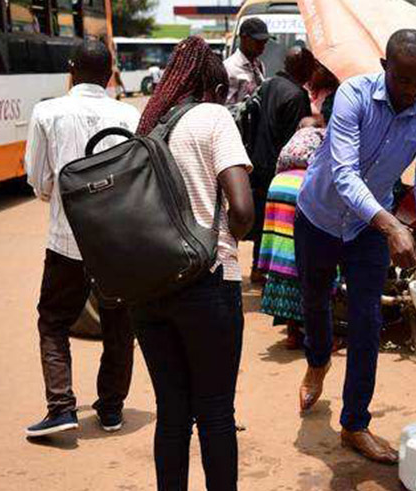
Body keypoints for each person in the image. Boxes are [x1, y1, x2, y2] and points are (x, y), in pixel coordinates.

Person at [295, 29, 416, 464]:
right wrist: (392, 227)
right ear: (385, 67)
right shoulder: (353, 95)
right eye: (402, 80)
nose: (410, 92)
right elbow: (345, 174)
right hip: (320, 215)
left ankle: (354, 424)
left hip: (368, 231)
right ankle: (317, 360)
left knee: (368, 322)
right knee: (314, 301)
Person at [134, 36, 255, 490]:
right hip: (207, 283)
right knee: (216, 412)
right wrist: (228, 237)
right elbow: (242, 211)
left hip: (150, 289)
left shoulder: (148, 123)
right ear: (213, 85)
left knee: (172, 414)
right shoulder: (214, 118)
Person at [24, 39, 139, 437]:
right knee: (119, 326)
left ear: (71, 71)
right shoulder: (129, 115)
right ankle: (110, 409)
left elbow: (39, 181)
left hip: (66, 239)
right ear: (110, 74)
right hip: (119, 244)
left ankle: (61, 407)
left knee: (53, 321)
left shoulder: (47, 112)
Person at [246, 45, 315, 284]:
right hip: (282, 169)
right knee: (283, 224)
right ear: (302, 67)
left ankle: (258, 267)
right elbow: (299, 141)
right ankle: (278, 274)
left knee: (265, 219)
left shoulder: (269, 84)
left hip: (258, 162)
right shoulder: (297, 96)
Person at [257, 116, 326, 349]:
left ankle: (292, 333)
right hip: (303, 186)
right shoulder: (321, 137)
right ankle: (313, 335)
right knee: (306, 262)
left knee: (284, 256)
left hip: (278, 185)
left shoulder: (292, 145)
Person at [224, 17, 272, 105]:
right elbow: (226, 106)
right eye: (258, 42)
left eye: (264, 42)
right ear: (244, 38)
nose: (262, 46)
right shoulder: (229, 68)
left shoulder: (258, 65)